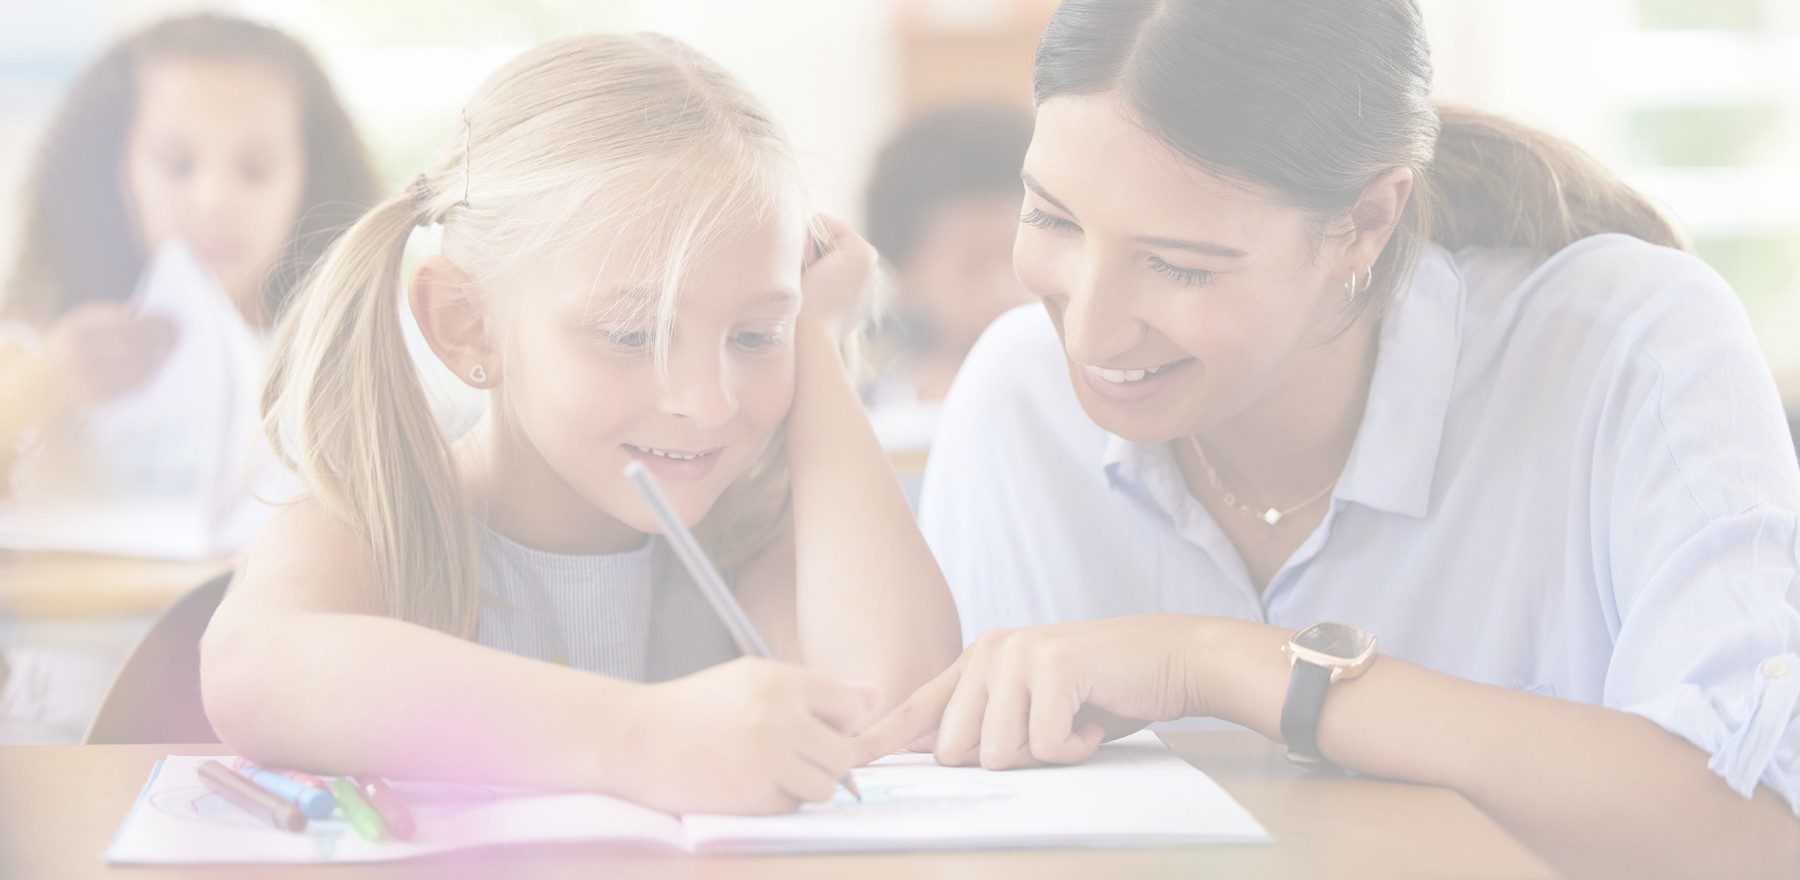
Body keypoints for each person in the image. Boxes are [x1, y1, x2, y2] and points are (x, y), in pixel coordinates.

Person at [855, 1, 1800, 875]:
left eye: (1179, 267)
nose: (1091, 334)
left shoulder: (1628, 347)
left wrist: (1217, 664)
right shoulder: (1020, 401)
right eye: (1053, 217)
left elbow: (1760, 829)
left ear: (1364, 222)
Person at [200, 33, 960, 816]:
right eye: (632, 335)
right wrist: (636, 737)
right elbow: (250, 674)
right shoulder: (375, 522)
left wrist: (818, 340)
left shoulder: (751, 535)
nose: (708, 403)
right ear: (468, 327)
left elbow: (896, 702)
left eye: (755, 336)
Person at [0, 13, 377, 478]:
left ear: (312, 178)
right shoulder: (29, 344)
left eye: (256, 169)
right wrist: (41, 386)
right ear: (111, 168)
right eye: (177, 165)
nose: (214, 202)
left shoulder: (366, 360)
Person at [861, 104, 1035, 451]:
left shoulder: (1080, 406)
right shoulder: (870, 421)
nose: (1004, 292)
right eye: (971, 267)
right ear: (906, 275)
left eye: (1019, 259)